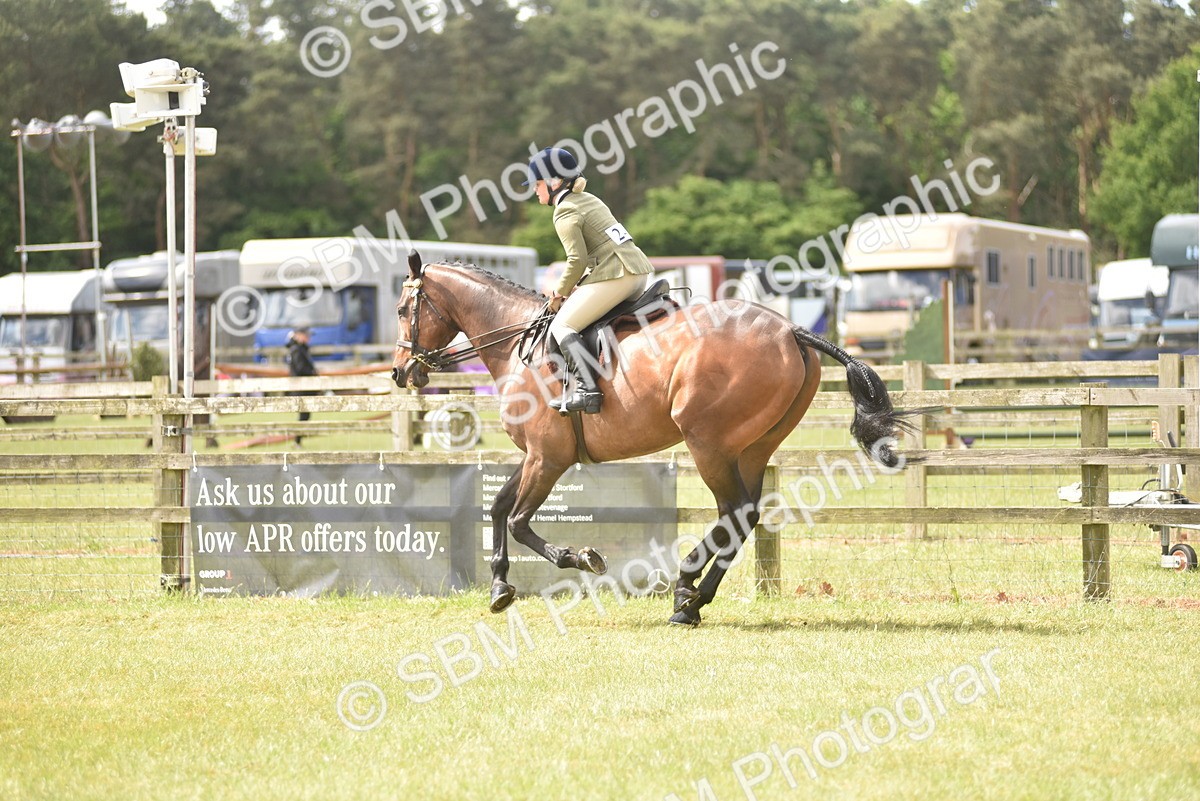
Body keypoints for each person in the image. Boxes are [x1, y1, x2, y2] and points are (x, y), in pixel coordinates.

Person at [525, 146, 654, 414]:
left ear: (554, 182)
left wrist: (557, 294)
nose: (534, 190)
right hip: (636, 271)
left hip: (618, 274)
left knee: (562, 326)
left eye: (537, 184)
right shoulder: (589, 200)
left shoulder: (564, 211)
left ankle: (587, 390)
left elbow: (576, 260)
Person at [285, 327, 317, 446]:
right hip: (301, 387)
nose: (308, 338)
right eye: (306, 335)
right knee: (304, 415)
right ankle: (297, 441)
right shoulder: (296, 350)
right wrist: (312, 372)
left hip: (304, 387)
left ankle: (298, 440)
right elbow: (300, 368)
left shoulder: (300, 349)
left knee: (305, 415)